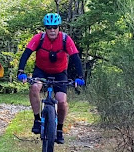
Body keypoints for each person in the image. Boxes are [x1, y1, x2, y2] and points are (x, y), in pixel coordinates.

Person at [17, 13, 85, 144]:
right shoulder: (39, 38)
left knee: (61, 101)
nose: (52, 30)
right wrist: (21, 71)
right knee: (34, 87)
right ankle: (37, 119)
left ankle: (59, 129)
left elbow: (76, 58)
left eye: (55, 27)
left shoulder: (65, 39)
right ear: (45, 28)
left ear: (59, 27)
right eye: (49, 27)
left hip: (60, 72)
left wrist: (80, 76)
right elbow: (26, 54)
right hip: (41, 71)